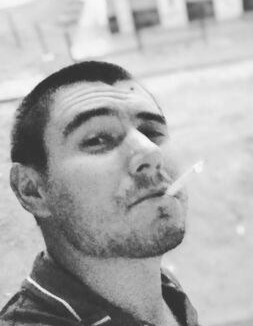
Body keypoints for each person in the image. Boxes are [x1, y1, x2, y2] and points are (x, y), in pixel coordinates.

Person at [0, 61, 200, 326]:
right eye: (96, 139)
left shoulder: (166, 290)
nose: (150, 151)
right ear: (32, 190)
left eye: (152, 132)